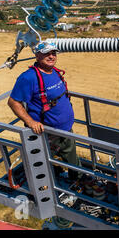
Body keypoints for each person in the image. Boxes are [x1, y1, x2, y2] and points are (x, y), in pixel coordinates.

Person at [8, 41, 81, 180]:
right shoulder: (28, 77)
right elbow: (13, 102)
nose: (51, 56)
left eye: (53, 53)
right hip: (47, 134)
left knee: (73, 162)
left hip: (65, 129)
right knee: (42, 164)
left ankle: (77, 182)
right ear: (37, 55)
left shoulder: (54, 72)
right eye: (47, 53)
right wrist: (31, 122)